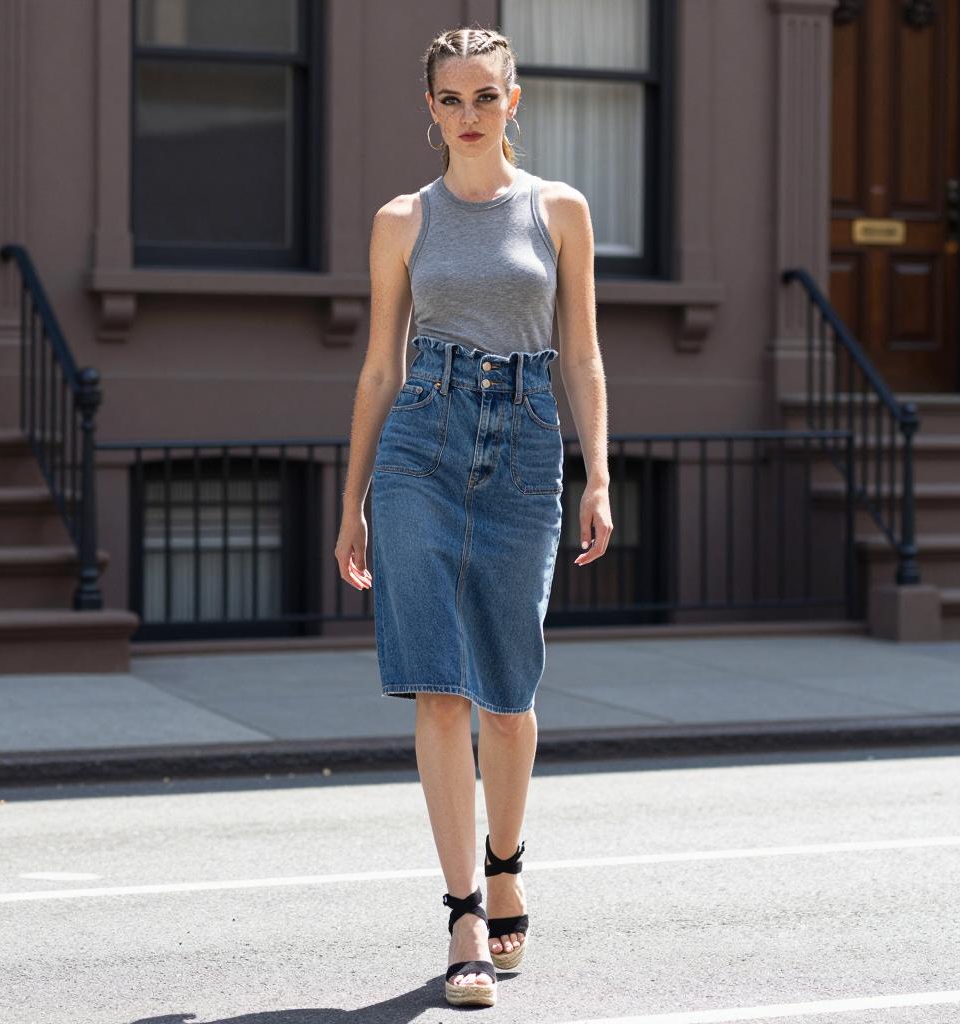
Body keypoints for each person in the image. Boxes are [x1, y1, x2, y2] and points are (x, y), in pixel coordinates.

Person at [334, 25, 611, 1009]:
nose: (467, 115)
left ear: (513, 100)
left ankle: (506, 861)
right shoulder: (402, 220)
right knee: (440, 687)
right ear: (430, 108)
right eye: (450, 99)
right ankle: (463, 915)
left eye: (484, 97)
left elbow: (583, 353)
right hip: (422, 444)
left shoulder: (560, 210)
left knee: (507, 691)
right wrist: (352, 499)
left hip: (526, 444)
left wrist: (598, 473)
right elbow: (380, 366)